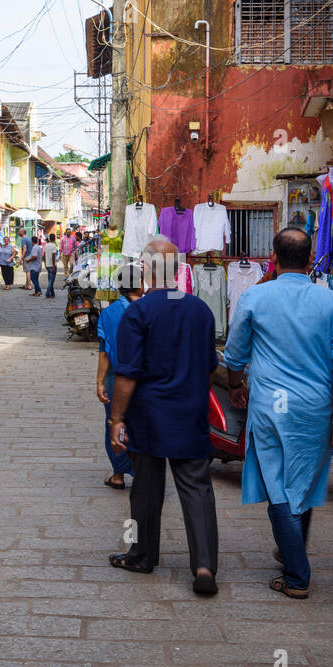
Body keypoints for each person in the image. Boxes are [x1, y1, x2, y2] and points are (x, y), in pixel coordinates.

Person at [223, 227, 333, 599]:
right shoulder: (332, 303)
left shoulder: (255, 297)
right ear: (310, 260)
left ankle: (297, 575)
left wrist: (234, 385)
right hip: (315, 404)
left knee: (278, 482)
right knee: (304, 478)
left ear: (273, 258)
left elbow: (234, 354)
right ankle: (290, 548)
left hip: (270, 406)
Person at [107, 237, 220, 596]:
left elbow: (127, 374)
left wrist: (116, 418)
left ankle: (142, 555)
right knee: (197, 489)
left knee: (146, 489)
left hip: (148, 414)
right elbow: (210, 365)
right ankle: (203, 565)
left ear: (146, 270)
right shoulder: (201, 311)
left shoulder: (137, 313)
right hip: (189, 412)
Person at [96, 261, 141, 490]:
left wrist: (99, 381)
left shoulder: (108, 313)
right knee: (140, 423)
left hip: (116, 377)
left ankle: (118, 474)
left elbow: (104, 353)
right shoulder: (148, 310)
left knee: (114, 422)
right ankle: (141, 471)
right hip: (143, 377)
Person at [42, 233, 59, 298]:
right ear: (54, 238)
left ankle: (52, 293)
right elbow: (53, 256)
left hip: (48, 265)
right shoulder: (53, 246)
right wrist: (54, 265)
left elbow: (44, 256)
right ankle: (47, 293)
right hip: (52, 265)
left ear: (49, 238)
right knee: (51, 281)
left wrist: (45, 264)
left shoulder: (46, 245)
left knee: (50, 280)